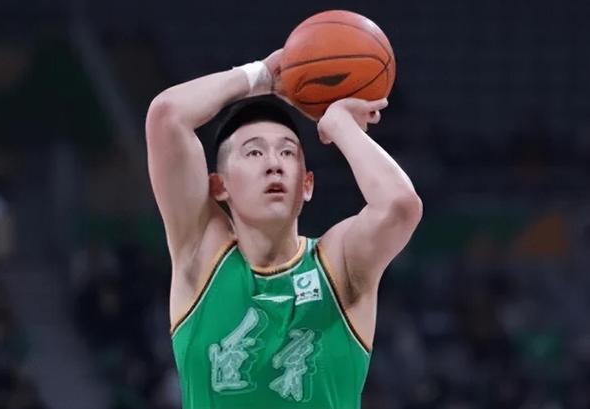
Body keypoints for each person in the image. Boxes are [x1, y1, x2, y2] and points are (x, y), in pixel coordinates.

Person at [145, 49, 422, 409]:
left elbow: (400, 206)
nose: (274, 164)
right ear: (219, 186)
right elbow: (167, 116)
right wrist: (260, 76)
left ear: (307, 185)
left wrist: (340, 125)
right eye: (254, 153)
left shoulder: (338, 265)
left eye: (288, 152)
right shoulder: (202, 257)